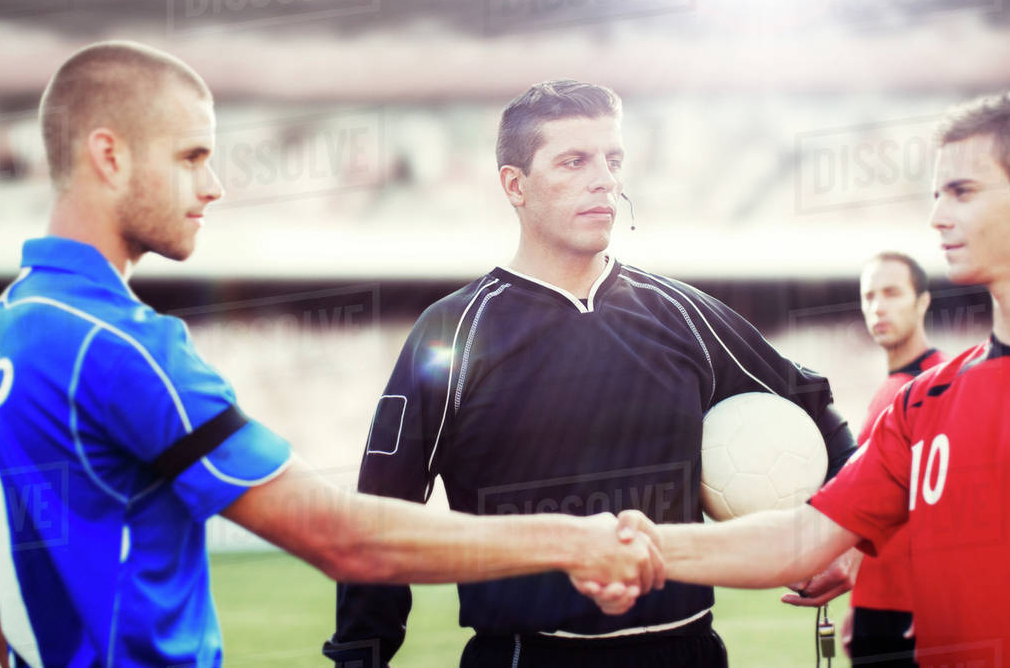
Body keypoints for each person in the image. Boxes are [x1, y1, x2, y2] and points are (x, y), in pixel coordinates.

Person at [0, 42, 663, 668]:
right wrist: (573, 540)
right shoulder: (121, 345)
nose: (212, 185)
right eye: (190, 157)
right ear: (109, 155)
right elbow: (340, 537)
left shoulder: (2, 332)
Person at [614, 88, 1010, 666]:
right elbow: (800, 539)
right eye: (935, 195)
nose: (936, 217)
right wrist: (639, 545)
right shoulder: (925, 400)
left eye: (961, 192)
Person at [326, 79, 857, 668]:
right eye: (573, 161)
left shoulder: (684, 315)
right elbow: (380, 511)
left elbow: (814, 405)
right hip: (524, 655)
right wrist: (360, 655)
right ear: (515, 185)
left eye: (613, 159)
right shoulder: (451, 333)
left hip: (686, 651)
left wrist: (844, 537)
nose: (603, 178)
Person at [847, 253, 944, 665]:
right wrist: (859, 601)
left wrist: (939, 605)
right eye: (869, 296)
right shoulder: (888, 388)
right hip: (874, 606)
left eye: (891, 293)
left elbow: (951, 510)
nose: (878, 306)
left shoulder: (941, 385)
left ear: (922, 302)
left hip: (912, 612)